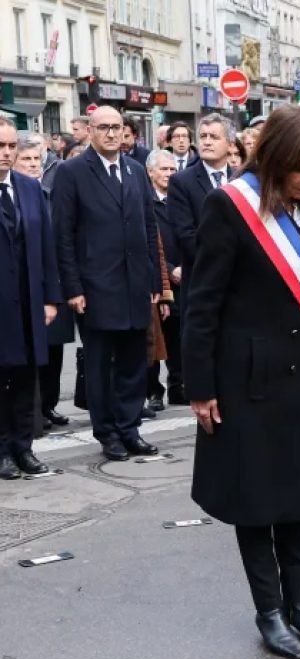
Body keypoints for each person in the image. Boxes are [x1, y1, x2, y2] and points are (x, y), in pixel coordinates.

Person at [183, 105, 300, 659]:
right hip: (247, 380)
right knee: (255, 502)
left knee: (298, 499)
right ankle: (270, 613)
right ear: (274, 158)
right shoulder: (229, 206)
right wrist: (201, 387)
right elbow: (201, 304)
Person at [52, 105, 161, 461]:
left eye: (117, 127)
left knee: (134, 362)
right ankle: (108, 432)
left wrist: (154, 280)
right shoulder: (72, 173)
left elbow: (148, 227)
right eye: (104, 128)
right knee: (100, 365)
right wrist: (73, 288)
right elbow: (63, 235)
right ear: (91, 131)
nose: (112, 134)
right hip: (95, 288)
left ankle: (129, 428)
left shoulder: (134, 171)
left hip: (135, 285)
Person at [0, 117, 61, 478]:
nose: (5, 154)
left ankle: (24, 447)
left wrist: (51, 297)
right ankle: (2, 449)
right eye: (0, 147)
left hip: (27, 298)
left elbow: (46, 246)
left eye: (10, 147)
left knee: (25, 376)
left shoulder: (28, 187)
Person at [167, 113, 237, 408]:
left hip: (241, 288)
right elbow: (186, 235)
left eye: (214, 137)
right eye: (203, 136)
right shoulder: (182, 182)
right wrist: (232, 257)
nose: (206, 142)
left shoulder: (242, 178)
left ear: (230, 142)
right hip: (203, 285)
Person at [13, 138, 73, 429]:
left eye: (37, 160)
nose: (33, 165)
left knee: (54, 351)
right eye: (26, 160)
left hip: (51, 284)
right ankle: (32, 416)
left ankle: (47, 406)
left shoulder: (47, 194)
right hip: (20, 289)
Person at [144, 150, 182, 411]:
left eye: (172, 169)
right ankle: (154, 392)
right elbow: (150, 246)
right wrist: (168, 270)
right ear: (151, 172)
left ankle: (178, 387)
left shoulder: (180, 201)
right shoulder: (145, 201)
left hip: (184, 275)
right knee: (155, 339)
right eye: (164, 169)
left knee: (179, 337)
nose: (169, 174)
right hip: (159, 278)